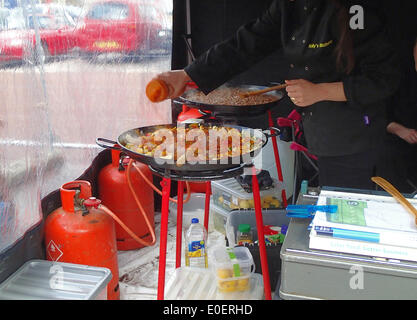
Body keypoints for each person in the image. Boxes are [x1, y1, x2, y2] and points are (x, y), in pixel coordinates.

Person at [151, 0, 401, 190]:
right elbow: (245, 44)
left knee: (348, 220)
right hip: (321, 131)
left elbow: (384, 78)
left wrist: (320, 91)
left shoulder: (358, 9)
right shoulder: (289, 6)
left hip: (354, 137)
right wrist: (187, 75)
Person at [376, 2, 417, 193]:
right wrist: (401, 130)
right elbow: (375, 116)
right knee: (386, 153)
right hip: (397, 138)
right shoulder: (397, 77)